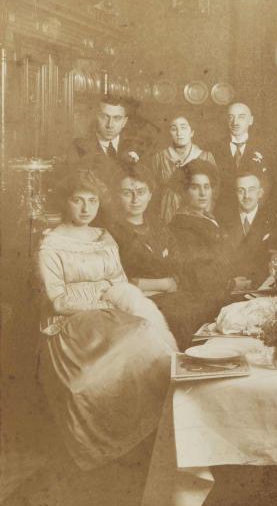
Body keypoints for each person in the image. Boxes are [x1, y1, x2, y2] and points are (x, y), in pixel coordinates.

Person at [36, 170, 176, 470]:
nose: (86, 209)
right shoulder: (52, 243)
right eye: (78, 201)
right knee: (129, 343)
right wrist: (100, 302)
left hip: (109, 309)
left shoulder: (104, 236)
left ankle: (148, 429)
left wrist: (116, 301)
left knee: (146, 334)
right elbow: (58, 299)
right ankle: (109, 440)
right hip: (74, 322)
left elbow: (119, 280)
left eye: (92, 201)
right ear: (66, 202)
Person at [107, 163, 221, 349]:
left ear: (151, 194)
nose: (136, 199)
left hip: (172, 296)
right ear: (117, 195)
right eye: (128, 193)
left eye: (141, 192)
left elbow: (180, 266)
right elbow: (119, 279)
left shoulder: (159, 226)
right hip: (140, 302)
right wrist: (164, 284)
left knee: (208, 308)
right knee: (181, 317)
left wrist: (172, 282)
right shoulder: (113, 232)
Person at [211, 102, 277, 225]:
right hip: (224, 218)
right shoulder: (215, 149)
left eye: (241, 117)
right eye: (231, 117)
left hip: (257, 219)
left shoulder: (264, 148)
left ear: (251, 120)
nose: (235, 122)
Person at [169, 160, 233, 298]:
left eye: (207, 186)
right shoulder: (181, 227)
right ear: (184, 191)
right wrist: (231, 284)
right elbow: (199, 276)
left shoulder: (207, 217)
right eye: (195, 187)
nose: (203, 193)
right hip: (203, 297)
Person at [220, 169, 277, 290]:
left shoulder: (272, 221)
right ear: (235, 193)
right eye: (241, 191)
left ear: (260, 193)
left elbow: (276, 255)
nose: (246, 196)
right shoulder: (223, 221)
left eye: (251, 190)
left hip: (262, 288)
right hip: (232, 289)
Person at [150, 116, 216, 224]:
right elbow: (153, 190)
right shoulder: (160, 158)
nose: (179, 133)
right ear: (169, 133)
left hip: (199, 215)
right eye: (174, 129)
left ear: (192, 132)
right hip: (168, 214)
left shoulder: (206, 157)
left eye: (183, 127)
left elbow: (214, 192)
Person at [66, 96, 144, 174]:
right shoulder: (79, 147)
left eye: (117, 118)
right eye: (104, 117)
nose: (110, 125)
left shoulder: (136, 146)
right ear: (96, 117)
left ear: (124, 122)